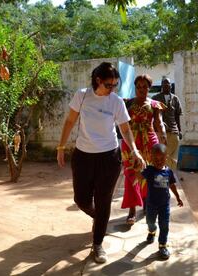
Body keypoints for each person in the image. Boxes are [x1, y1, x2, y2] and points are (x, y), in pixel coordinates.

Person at [56, 62, 146, 264]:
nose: (111, 89)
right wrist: (61, 147)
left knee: (104, 200)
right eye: (108, 85)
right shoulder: (82, 95)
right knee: (81, 200)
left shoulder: (116, 102)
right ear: (98, 80)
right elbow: (70, 121)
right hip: (83, 156)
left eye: (115, 85)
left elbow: (125, 129)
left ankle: (98, 244)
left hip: (109, 158)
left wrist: (135, 150)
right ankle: (100, 218)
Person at [121, 74, 167, 225]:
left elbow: (159, 122)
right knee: (131, 174)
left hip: (149, 141)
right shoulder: (126, 103)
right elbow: (121, 122)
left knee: (151, 173)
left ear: (149, 88)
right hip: (131, 142)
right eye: (138, 87)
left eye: (144, 87)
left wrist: (163, 135)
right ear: (135, 87)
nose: (141, 90)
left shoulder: (155, 104)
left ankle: (147, 204)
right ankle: (132, 210)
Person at [136, 143, 183, 260]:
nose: (158, 161)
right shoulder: (149, 170)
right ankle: (152, 231)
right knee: (150, 222)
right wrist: (137, 169)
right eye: (155, 159)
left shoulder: (168, 172)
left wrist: (177, 197)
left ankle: (162, 245)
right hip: (151, 204)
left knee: (164, 225)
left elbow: (172, 185)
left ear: (166, 158)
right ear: (151, 158)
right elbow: (140, 177)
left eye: (161, 158)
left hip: (164, 205)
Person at [152, 77, 183, 170]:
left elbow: (177, 115)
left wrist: (179, 130)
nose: (166, 86)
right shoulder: (155, 98)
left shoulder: (175, 99)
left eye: (168, 84)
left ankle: (171, 175)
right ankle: (162, 174)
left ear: (170, 86)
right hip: (160, 132)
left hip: (173, 132)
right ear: (161, 86)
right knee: (162, 154)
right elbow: (152, 116)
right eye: (164, 84)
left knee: (173, 157)